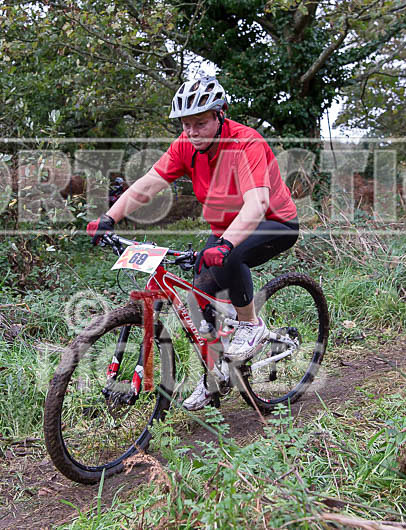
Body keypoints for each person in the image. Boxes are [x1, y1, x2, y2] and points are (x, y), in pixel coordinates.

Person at [86, 76, 300, 410]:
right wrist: (109, 218)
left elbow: (256, 204)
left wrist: (226, 245)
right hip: (228, 227)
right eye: (186, 124)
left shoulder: (246, 143)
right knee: (199, 295)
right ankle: (214, 374)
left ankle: (250, 325)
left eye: (200, 123)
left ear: (220, 116)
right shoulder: (186, 147)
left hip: (274, 222)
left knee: (229, 257)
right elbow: (148, 184)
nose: (192, 131)